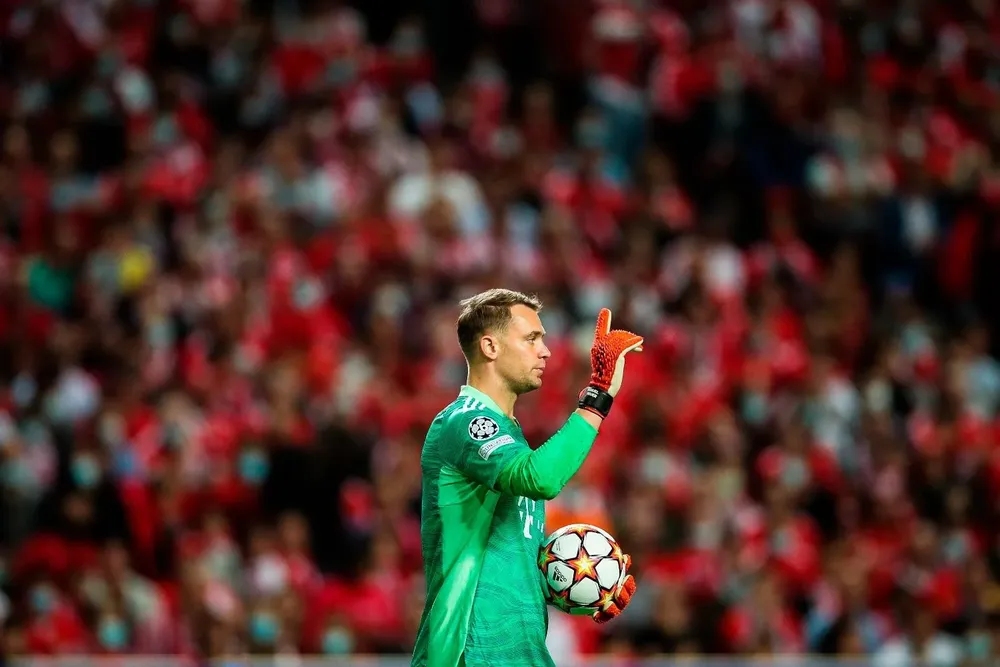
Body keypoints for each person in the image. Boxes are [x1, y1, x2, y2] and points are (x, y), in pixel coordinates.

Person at [411, 288, 643, 667]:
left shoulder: (511, 437)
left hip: (521, 653)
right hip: (470, 652)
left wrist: (587, 581)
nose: (546, 351)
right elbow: (540, 479)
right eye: (532, 338)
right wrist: (598, 395)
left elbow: (511, 559)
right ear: (490, 346)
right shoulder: (464, 421)